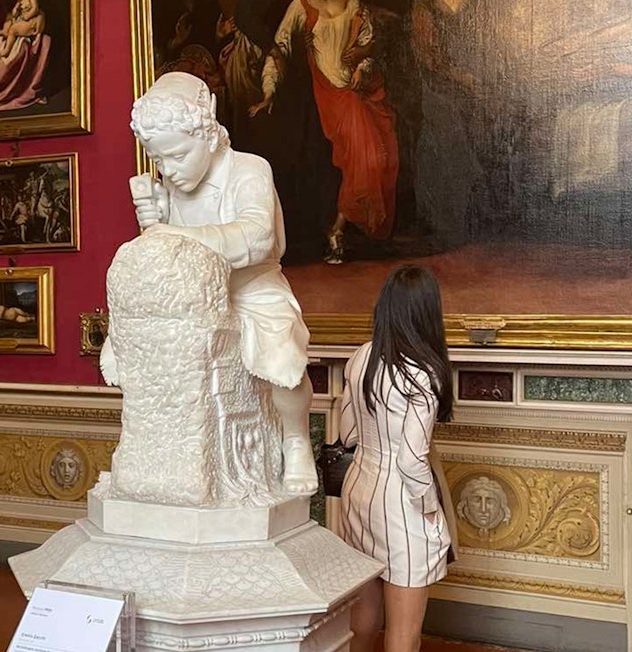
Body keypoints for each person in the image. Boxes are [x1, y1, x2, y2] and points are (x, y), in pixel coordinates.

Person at [121, 71, 317, 494]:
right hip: (194, 296)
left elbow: (257, 237)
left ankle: (296, 438)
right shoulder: (170, 187)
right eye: (158, 161)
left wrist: (173, 235)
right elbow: (169, 253)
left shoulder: (249, 169)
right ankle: (164, 446)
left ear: (207, 135)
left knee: (281, 350)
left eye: (176, 156)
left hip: (252, 287)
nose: (167, 171)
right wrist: (155, 224)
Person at [336, 265, 457, 652]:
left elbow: (346, 434)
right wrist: (430, 511)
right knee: (404, 637)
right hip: (401, 506)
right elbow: (410, 461)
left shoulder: (360, 357)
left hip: (358, 490)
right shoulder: (422, 373)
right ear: (426, 312)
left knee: (363, 624)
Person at [251, 0, 399, 264]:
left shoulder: (354, 4)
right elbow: (279, 49)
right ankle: (334, 231)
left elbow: (369, 49)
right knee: (354, 163)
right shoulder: (302, 6)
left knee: (373, 159)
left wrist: (363, 65)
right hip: (325, 97)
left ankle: (337, 230)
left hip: (354, 95)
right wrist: (268, 90)